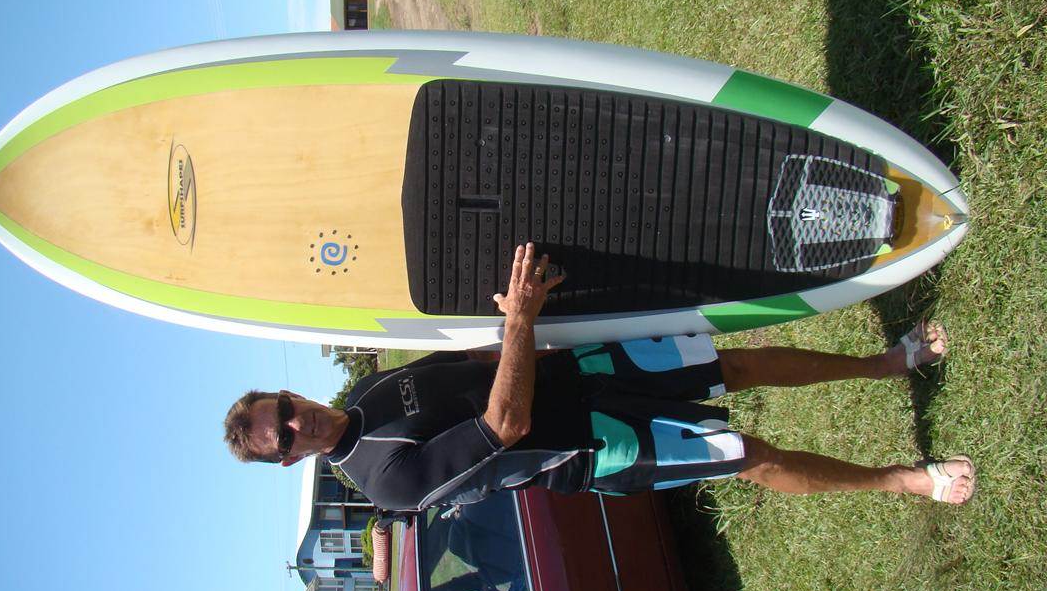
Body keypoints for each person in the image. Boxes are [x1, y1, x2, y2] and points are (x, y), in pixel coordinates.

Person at [223, 243, 975, 511]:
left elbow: (474, 366)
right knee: (749, 456)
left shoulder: (368, 394)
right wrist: (520, 321)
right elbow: (502, 428)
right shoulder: (384, 480)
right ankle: (905, 482)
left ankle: (887, 362)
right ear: (290, 459)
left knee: (733, 365)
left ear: (292, 395)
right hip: (590, 446)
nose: (297, 421)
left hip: (581, 367)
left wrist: (533, 324)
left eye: (284, 407)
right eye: (282, 437)